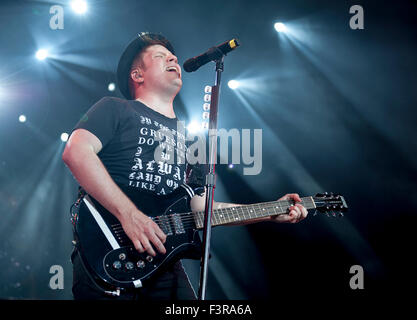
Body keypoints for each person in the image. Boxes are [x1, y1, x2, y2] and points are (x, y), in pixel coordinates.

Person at [62, 32, 308, 300]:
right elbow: (76, 152)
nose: (173, 58)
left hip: (163, 261)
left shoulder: (193, 143)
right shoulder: (114, 109)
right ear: (137, 75)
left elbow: (200, 207)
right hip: (107, 252)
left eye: (173, 57)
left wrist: (270, 212)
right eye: (160, 56)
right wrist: (129, 216)